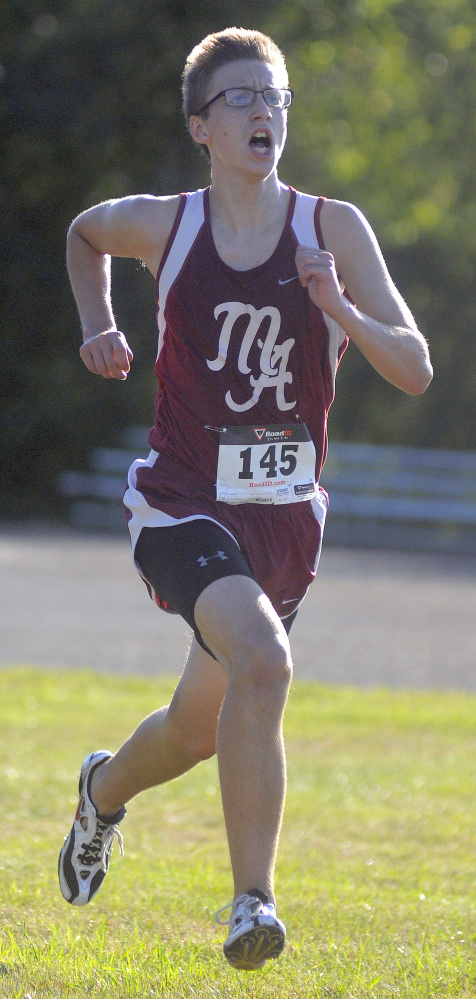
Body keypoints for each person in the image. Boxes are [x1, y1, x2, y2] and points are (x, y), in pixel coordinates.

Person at [58, 27, 433, 971]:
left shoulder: (330, 228)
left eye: (278, 97)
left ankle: (102, 792)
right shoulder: (167, 224)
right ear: (202, 126)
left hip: (283, 521)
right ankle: (251, 903)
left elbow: (416, 367)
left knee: (196, 726)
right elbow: (83, 233)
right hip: (181, 503)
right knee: (264, 662)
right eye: (244, 99)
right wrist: (99, 325)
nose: (267, 112)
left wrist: (339, 307)